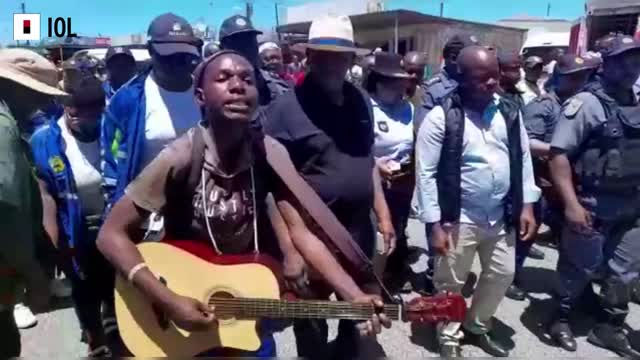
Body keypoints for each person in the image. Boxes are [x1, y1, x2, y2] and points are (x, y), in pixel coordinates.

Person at [97, 50, 389, 357]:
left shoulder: (269, 152)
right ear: (200, 96)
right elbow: (110, 236)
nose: (237, 85)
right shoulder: (181, 156)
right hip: (182, 308)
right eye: (223, 79)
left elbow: (300, 232)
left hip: (244, 298)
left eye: (247, 79)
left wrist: (354, 295)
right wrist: (167, 300)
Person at [262, 14, 395, 359]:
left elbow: (368, 160)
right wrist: (289, 251)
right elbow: (272, 193)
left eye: (341, 54)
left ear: (352, 58)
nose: (333, 62)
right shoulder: (282, 111)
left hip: (358, 235)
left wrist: (382, 213)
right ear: (310, 57)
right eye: (324, 54)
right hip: (310, 238)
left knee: (357, 317)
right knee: (313, 322)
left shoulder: (360, 99)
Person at [415, 46, 540, 357]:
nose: (491, 84)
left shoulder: (509, 111)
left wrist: (526, 205)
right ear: (461, 77)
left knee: (501, 274)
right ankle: (449, 336)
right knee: (450, 281)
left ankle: (477, 325)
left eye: (494, 77)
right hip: (458, 218)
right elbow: (426, 173)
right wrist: (434, 225)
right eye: (482, 78)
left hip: (500, 215)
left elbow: (523, 159)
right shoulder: (441, 116)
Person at [548, 35, 640, 358]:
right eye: (624, 59)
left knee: (625, 272)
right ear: (606, 64)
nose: (632, 66)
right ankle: (560, 318)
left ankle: (610, 328)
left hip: (632, 206)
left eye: (636, 59)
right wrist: (571, 204)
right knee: (578, 267)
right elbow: (558, 156)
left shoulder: (637, 99)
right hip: (593, 204)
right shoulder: (587, 104)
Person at [30, 58, 116, 356]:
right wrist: (52, 244)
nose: (80, 116)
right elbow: (45, 193)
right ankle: (95, 339)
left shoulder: (112, 131)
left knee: (115, 287)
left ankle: (117, 332)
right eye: (73, 110)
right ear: (65, 107)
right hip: (73, 228)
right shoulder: (46, 140)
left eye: (90, 110)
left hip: (113, 226)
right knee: (83, 288)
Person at [507, 54, 599, 303]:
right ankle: (510, 276)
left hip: (567, 183)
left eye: (584, 76)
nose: (581, 82)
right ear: (560, 78)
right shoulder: (544, 105)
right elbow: (528, 143)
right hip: (541, 181)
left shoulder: (584, 106)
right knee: (528, 231)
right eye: (575, 77)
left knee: (574, 238)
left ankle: (577, 287)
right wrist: (560, 150)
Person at [0, 48, 66, 358]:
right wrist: (33, 273)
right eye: (37, 93)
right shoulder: (4, 128)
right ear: (14, 86)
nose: (42, 103)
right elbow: (8, 207)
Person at [102, 12, 203, 209]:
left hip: (201, 210)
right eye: (168, 57)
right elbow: (111, 163)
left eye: (184, 57)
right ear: (151, 51)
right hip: (145, 216)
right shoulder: (127, 101)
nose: (177, 63)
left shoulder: (206, 92)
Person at [366, 52, 415, 290]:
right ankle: (374, 281)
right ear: (379, 82)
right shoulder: (365, 107)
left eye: (402, 81)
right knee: (377, 234)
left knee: (399, 227)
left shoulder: (409, 108)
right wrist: (375, 165)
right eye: (395, 82)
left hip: (403, 184)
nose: (401, 87)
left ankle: (393, 270)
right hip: (374, 186)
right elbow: (353, 150)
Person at [219, 15, 289, 105]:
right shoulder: (213, 89)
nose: (246, 49)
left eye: (250, 41)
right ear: (222, 49)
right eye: (238, 43)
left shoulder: (275, 87)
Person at [420, 34, 480, 119]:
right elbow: (422, 125)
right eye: (472, 58)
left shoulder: (476, 86)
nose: (477, 62)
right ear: (453, 58)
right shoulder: (430, 89)